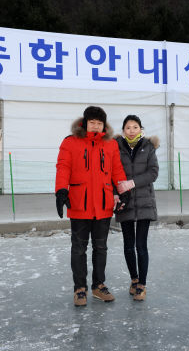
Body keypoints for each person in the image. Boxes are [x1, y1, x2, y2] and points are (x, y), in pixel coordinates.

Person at [55, 106, 127, 307]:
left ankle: (98, 285)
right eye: (92, 122)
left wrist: (124, 192)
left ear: (104, 125)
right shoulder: (70, 142)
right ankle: (80, 288)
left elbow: (117, 171)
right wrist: (61, 190)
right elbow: (63, 167)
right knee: (79, 248)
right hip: (79, 203)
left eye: (99, 123)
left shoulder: (111, 144)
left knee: (101, 247)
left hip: (103, 206)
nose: (95, 126)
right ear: (84, 123)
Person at [114, 115, 159, 301]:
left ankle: (142, 284)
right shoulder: (116, 147)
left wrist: (132, 183)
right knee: (128, 246)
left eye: (135, 127)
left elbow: (153, 173)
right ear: (123, 130)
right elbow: (112, 171)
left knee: (141, 245)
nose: (131, 130)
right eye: (128, 127)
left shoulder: (148, 147)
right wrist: (115, 192)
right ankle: (134, 279)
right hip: (124, 202)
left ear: (141, 129)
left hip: (144, 201)